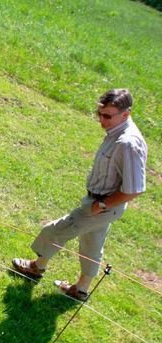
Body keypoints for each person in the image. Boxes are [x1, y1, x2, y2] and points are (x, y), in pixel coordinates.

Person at [12, 88, 148, 301]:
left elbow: (135, 189)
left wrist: (100, 206)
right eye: (99, 114)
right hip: (101, 204)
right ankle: (81, 289)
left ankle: (36, 268)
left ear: (126, 114)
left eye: (107, 116)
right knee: (92, 244)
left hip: (102, 206)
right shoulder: (117, 133)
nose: (101, 120)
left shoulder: (127, 143)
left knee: (55, 230)